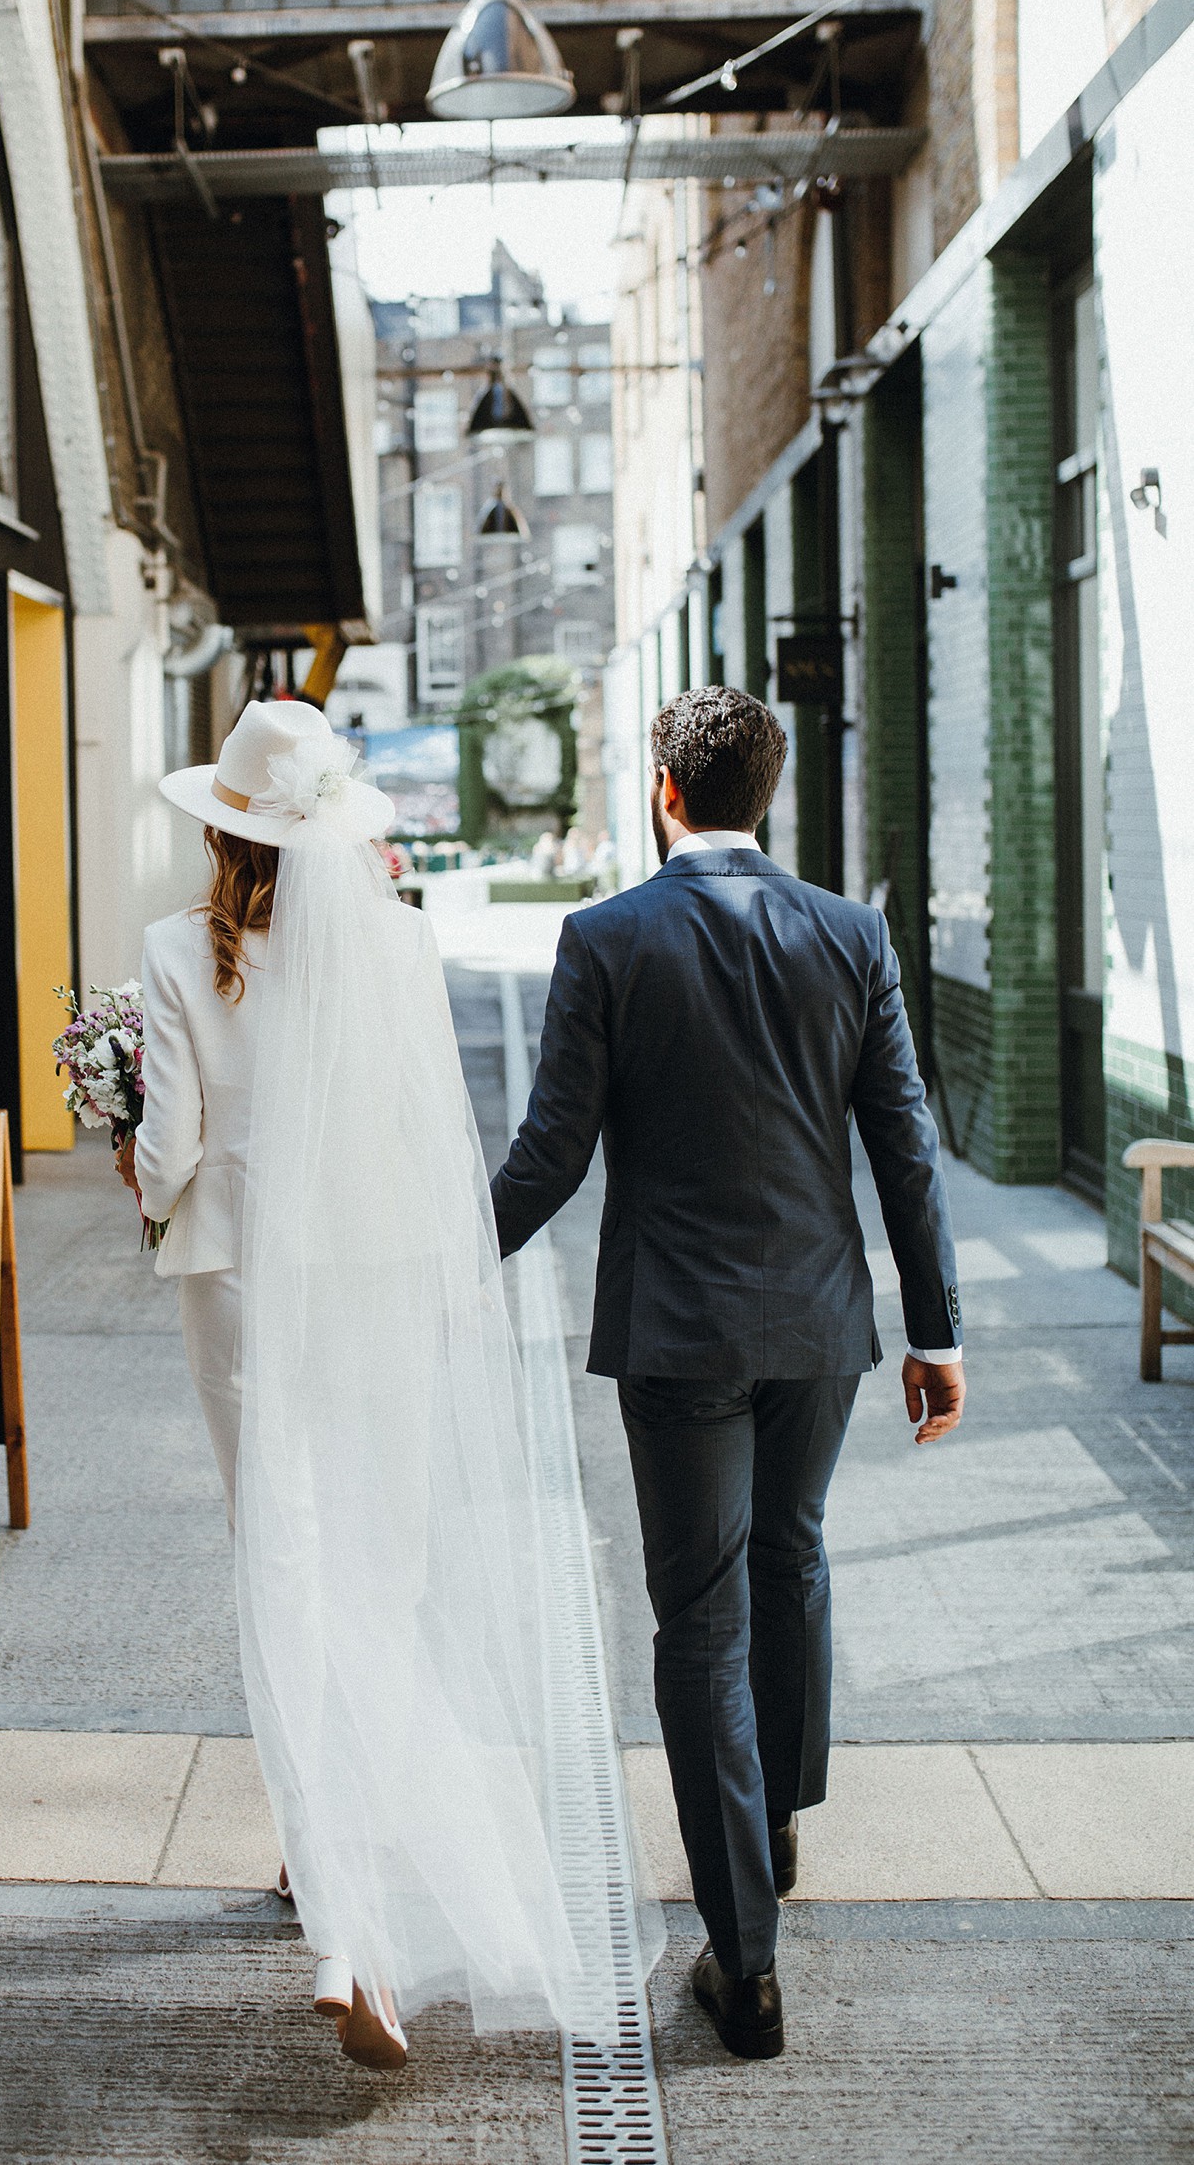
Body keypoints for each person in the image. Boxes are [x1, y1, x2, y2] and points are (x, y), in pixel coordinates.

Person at [121, 697, 633, 2072]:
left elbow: (169, 1151)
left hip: (238, 1291)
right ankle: (370, 1921)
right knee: (379, 1575)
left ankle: (344, 1928)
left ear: (225, 827)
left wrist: (134, 1164)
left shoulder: (179, 950)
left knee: (285, 1563)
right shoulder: (402, 943)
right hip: (384, 1280)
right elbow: (431, 1137)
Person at [491, 685, 965, 2063]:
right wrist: (936, 1332)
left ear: (663, 790)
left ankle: (746, 1964)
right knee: (793, 1556)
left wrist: (441, 1256)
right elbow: (906, 1148)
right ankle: (777, 1826)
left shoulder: (607, 939)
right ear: (770, 793)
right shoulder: (850, 934)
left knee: (698, 1622)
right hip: (819, 1327)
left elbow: (551, 1155)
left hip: (680, 1334)